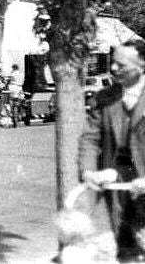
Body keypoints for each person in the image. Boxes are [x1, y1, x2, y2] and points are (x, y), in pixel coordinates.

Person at [81, 40, 145, 260]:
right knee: (125, 247)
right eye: (112, 64)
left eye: (122, 65)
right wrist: (89, 171)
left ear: (142, 64)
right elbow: (90, 138)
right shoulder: (104, 98)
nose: (115, 69)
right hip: (119, 187)